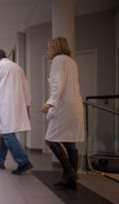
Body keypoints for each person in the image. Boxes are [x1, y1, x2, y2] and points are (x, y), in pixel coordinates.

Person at [41, 37, 84, 189]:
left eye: (48, 47)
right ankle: (70, 179)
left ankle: (69, 172)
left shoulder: (58, 60)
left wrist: (50, 102)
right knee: (69, 141)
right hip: (75, 104)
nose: (47, 51)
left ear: (55, 47)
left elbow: (58, 83)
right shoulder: (71, 61)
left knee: (51, 139)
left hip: (64, 106)